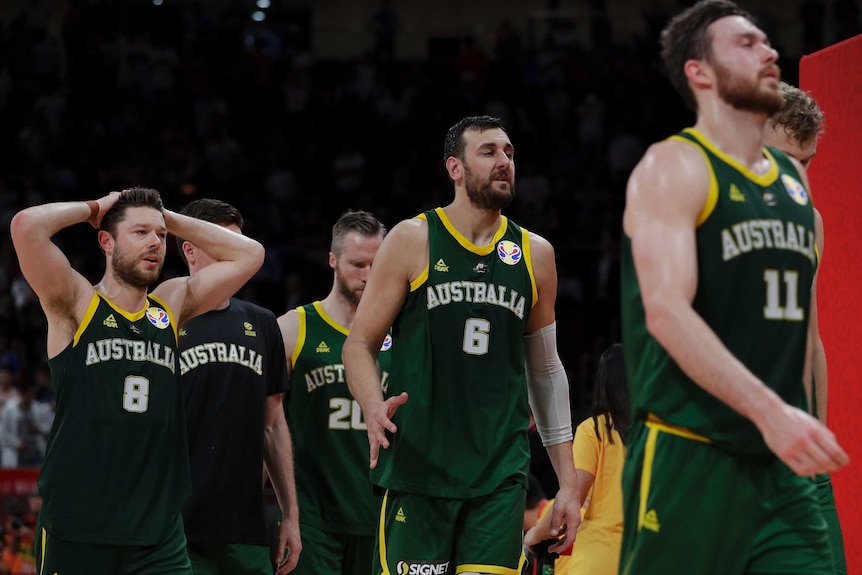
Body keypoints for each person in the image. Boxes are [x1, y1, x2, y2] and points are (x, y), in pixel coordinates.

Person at [620, 1, 849, 574]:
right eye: (745, 44)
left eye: (767, 41)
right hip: (691, 453)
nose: (768, 50)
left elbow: (808, 340)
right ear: (701, 74)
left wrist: (811, 437)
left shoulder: (803, 210)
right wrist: (772, 412)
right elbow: (667, 314)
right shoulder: (674, 170)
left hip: (781, 464)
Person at [343, 115, 580, 575]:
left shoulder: (536, 254)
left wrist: (567, 483)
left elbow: (547, 371)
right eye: (488, 152)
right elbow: (359, 344)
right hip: (420, 467)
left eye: (509, 152)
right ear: (454, 167)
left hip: (499, 474)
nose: (504, 162)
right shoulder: (413, 239)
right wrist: (372, 405)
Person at [9, 187, 264, 575]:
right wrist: (96, 207)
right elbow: (26, 226)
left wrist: (167, 217)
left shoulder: (171, 303)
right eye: (140, 233)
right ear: (106, 241)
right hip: (79, 527)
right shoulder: (77, 302)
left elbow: (251, 253)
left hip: (158, 534)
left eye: (161, 237)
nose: (155, 243)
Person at [176, 199, 300, 575]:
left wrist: (290, 515)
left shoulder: (263, 324)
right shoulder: (160, 317)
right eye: (222, 246)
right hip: (174, 527)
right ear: (190, 249)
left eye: (238, 246)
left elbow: (274, 424)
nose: (234, 259)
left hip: (245, 528)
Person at [763, 81, 846, 575]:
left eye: (807, 162)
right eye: (786, 158)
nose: (798, 176)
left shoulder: (809, 222)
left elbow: (811, 338)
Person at [278, 209, 387, 575]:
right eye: (358, 264)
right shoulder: (294, 328)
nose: (369, 275)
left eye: (377, 263)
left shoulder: (404, 333)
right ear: (332, 260)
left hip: (381, 517)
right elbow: (264, 422)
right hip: (312, 520)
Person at [524, 342, 628, 575]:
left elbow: (572, 498)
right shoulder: (654, 434)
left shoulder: (596, 430)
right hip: (646, 554)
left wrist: (534, 534)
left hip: (600, 557)